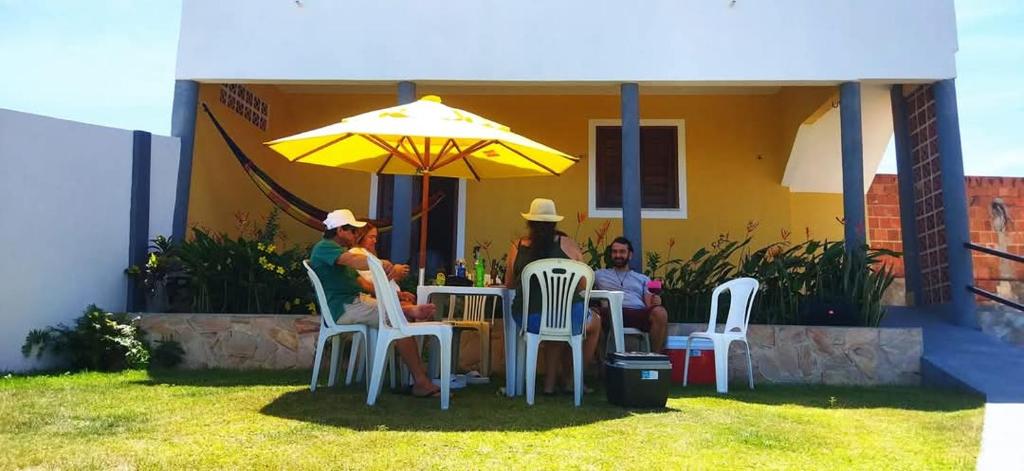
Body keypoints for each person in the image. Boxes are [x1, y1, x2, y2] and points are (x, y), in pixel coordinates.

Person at [309, 209, 440, 397]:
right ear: (340, 231)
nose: (356, 235)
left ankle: (408, 312)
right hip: (344, 308)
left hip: (355, 303)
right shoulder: (325, 248)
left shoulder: (338, 255)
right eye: (353, 231)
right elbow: (354, 260)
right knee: (399, 321)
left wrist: (399, 295)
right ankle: (421, 381)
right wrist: (379, 263)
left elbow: (366, 286)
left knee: (398, 314)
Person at [505, 198, 602, 395]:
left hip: (528, 318)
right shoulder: (569, 245)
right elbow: (584, 285)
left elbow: (509, 284)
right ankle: (573, 379)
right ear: (554, 223)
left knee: (551, 324)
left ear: (530, 223)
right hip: (566, 317)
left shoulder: (517, 247)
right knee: (595, 322)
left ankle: (550, 386)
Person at [594, 237, 668, 352]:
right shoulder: (599, 275)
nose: (618, 255)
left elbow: (649, 304)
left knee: (660, 312)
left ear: (630, 255)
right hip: (610, 313)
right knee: (591, 314)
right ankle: (600, 365)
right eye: (614, 252)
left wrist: (656, 300)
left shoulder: (643, 278)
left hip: (636, 313)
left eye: (622, 252)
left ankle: (654, 359)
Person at [349, 222, 419, 307]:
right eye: (371, 237)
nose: (375, 241)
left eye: (375, 237)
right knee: (415, 310)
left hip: (389, 298)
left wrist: (399, 291)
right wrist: (394, 272)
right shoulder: (356, 253)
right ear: (360, 237)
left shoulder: (368, 254)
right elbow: (370, 283)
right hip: (377, 301)